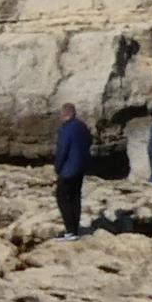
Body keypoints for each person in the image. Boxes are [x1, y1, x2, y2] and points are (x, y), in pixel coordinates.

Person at [54, 103, 91, 241]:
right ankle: (74, 230)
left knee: (62, 197)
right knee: (75, 197)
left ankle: (70, 230)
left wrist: (58, 167)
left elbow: (62, 150)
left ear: (64, 114)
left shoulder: (66, 129)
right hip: (81, 166)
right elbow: (89, 141)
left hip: (69, 169)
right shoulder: (82, 126)